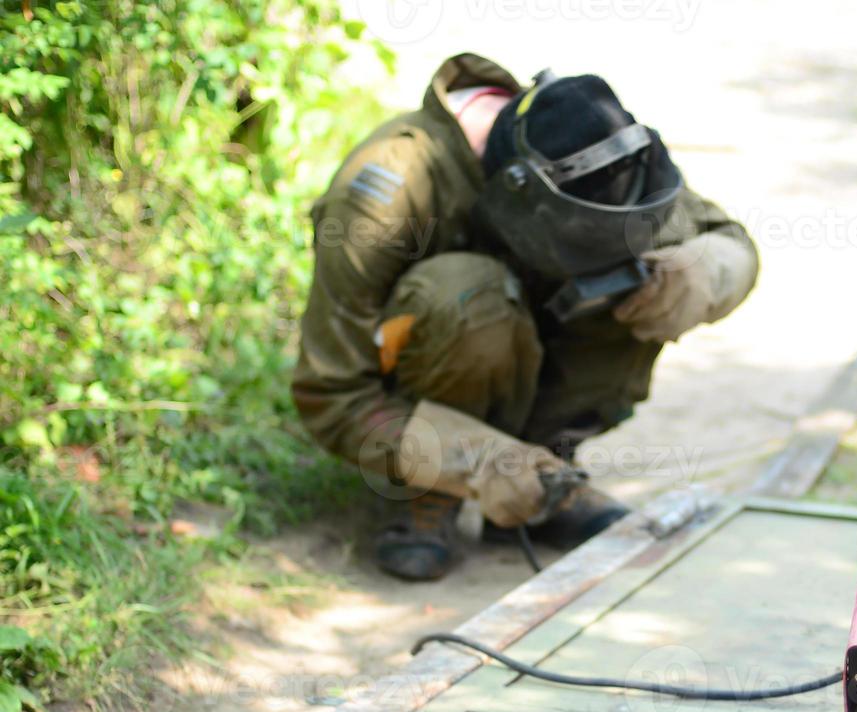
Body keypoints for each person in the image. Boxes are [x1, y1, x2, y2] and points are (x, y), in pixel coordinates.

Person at [292, 54, 758, 581]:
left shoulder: (598, 154)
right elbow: (331, 395)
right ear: (519, 189)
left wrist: (702, 273)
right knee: (465, 293)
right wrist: (480, 462)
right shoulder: (389, 191)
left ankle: (547, 475)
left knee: (647, 271)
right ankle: (436, 491)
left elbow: (731, 242)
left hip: (535, 367)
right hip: (429, 385)